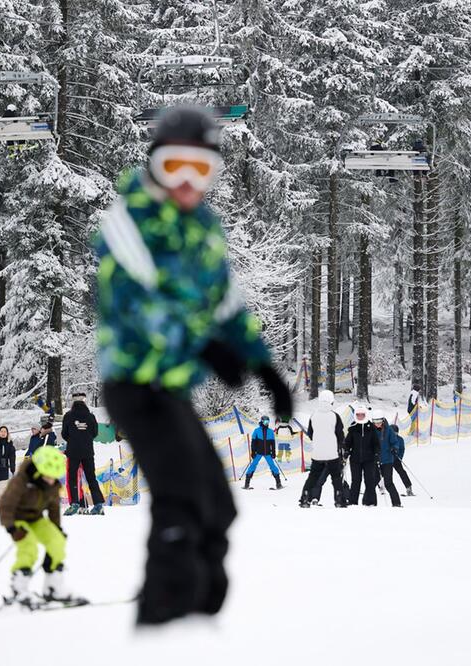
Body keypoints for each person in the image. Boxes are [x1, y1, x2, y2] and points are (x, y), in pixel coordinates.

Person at [96, 107, 291, 625]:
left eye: (200, 169)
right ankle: (166, 613)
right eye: (174, 166)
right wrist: (204, 345)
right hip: (136, 382)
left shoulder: (203, 229)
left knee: (219, 505)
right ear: (155, 167)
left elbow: (226, 302)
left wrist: (261, 365)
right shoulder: (128, 222)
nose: (186, 182)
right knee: (181, 498)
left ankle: (201, 610)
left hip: (172, 388)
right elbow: (137, 303)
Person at [0, 446, 83, 608]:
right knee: (29, 547)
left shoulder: (51, 485)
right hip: (17, 518)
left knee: (57, 542)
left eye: (54, 477)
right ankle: (19, 588)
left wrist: (57, 528)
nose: (52, 480)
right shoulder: (21, 481)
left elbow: (53, 508)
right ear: (38, 470)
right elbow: (5, 505)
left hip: (36, 519)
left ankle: (53, 588)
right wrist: (12, 528)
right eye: (48, 476)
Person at [299, 389, 347, 508]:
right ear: (331, 401)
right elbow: (340, 435)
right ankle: (339, 499)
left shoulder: (314, 415)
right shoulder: (334, 416)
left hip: (317, 453)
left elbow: (310, 433)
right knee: (336, 477)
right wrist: (339, 446)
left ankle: (305, 497)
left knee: (313, 476)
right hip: (332, 453)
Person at [61, 392, 104, 515]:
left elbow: (64, 434)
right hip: (88, 451)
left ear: (73, 402)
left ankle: (75, 503)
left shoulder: (68, 416)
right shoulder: (91, 416)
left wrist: (74, 438)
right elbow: (95, 433)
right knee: (91, 478)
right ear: (84, 402)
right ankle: (98, 504)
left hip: (73, 451)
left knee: (72, 478)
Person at [344, 405, 380, 506]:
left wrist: (377, 453)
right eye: (358, 415)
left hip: (369, 459)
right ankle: (353, 502)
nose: (360, 416)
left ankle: (371, 502)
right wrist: (346, 451)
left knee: (370, 480)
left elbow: (376, 443)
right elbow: (347, 442)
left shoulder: (371, 427)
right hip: (355, 459)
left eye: (362, 415)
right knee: (356, 481)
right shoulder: (353, 427)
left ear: (366, 415)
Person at [373, 410, 405, 507]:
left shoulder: (388, 430)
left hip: (387, 461)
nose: (377, 424)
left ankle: (396, 503)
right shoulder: (371, 430)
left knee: (388, 483)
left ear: (382, 421)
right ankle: (368, 502)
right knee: (372, 483)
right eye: (375, 422)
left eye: (379, 422)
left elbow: (395, 442)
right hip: (375, 460)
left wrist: (394, 448)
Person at [242, 415, 282, 490]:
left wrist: (273, 452)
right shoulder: (256, 431)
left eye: (268, 421)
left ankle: (278, 483)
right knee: (253, 465)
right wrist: (253, 452)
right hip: (258, 452)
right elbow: (253, 443)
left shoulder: (270, 432)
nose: (266, 423)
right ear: (262, 421)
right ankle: (246, 484)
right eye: (265, 421)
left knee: (273, 466)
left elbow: (272, 444)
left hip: (267, 453)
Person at [389, 424, 413, 496]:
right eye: (392, 432)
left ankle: (408, 488)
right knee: (382, 474)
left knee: (402, 472)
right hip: (388, 460)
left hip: (396, 459)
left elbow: (402, 449)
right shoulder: (386, 439)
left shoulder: (400, 439)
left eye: (395, 432)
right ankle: (373, 488)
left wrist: (400, 457)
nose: (394, 434)